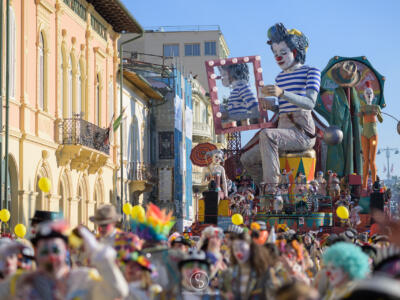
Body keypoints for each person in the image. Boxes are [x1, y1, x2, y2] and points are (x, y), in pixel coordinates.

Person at [240, 23, 321, 191]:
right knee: (246, 159)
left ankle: (272, 188)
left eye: (283, 52)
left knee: (267, 135)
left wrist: (282, 93)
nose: (278, 57)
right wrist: (273, 106)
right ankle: (266, 190)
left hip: (302, 133)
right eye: (276, 53)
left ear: (296, 52)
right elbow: (284, 108)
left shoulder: (311, 71)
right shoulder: (279, 78)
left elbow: (310, 103)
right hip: (284, 130)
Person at [0, 220, 129, 299]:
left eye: (56, 250)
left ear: (66, 250)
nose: (51, 257)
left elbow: (118, 290)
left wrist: (100, 254)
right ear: (36, 253)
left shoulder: (84, 278)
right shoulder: (20, 281)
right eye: (45, 251)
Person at [219, 63, 259, 128]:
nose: (222, 77)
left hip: (242, 125)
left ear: (232, 74)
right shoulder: (238, 88)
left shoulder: (242, 87)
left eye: (224, 74)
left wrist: (229, 115)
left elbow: (255, 110)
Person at [360, 81, 383, 190]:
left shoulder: (376, 107)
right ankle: (364, 185)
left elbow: (381, 120)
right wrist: (361, 115)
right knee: (366, 161)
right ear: (364, 95)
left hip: (373, 135)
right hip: (364, 135)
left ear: (373, 95)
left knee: (372, 160)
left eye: (370, 93)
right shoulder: (363, 108)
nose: (368, 94)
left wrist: (377, 113)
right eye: (367, 93)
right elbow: (361, 123)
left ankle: (375, 184)